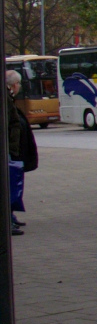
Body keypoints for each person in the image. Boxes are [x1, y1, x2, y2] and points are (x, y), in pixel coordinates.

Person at [6, 70, 36, 236]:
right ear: (14, 85)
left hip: (13, 149)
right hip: (10, 150)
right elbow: (12, 124)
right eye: (17, 84)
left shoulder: (9, 99)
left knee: (12, 183)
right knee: (9, 185)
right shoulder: (6, 99)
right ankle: (7, 219)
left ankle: (10, 216)